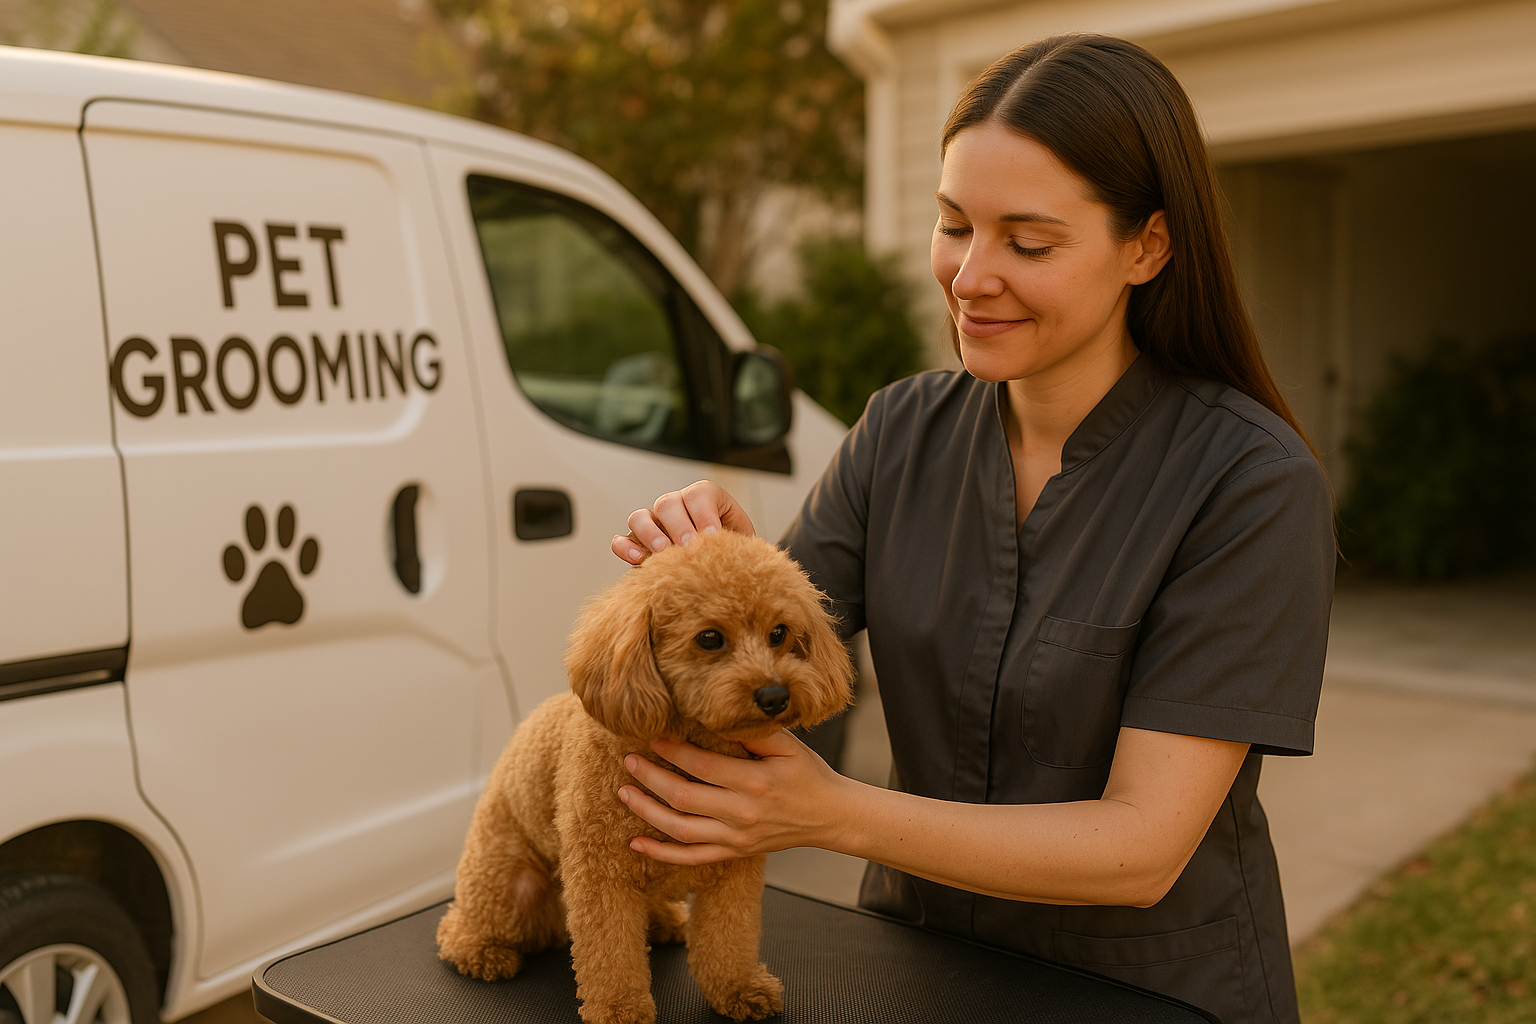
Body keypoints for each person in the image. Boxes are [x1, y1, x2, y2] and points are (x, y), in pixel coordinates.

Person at [608, 34, 1333, 1024]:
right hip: (914, 970)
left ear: (1147, 247)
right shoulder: (902, 430)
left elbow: (1143, 847)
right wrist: (735, 576)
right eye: (954, 225)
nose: (970, 275)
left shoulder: (1249, 484)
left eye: (1027, 243)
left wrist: (836, 813)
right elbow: (779, 681)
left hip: (1149, 993)